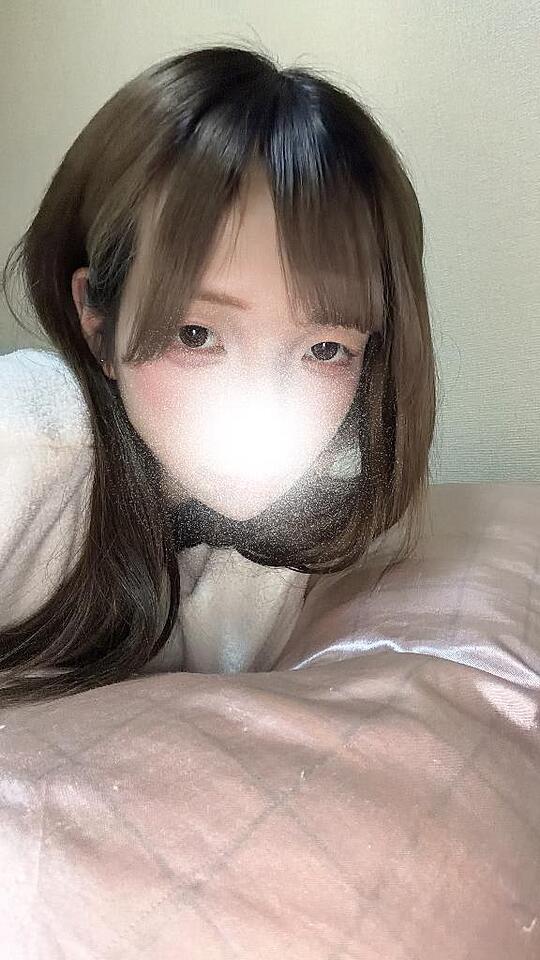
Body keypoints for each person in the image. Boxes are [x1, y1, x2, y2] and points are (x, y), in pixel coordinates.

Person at [0, 44, 437, 706]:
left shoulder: (306, 527)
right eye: (196, 335)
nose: (265, 404)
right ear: (98, 322)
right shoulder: (24, 446)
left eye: (324, 349)